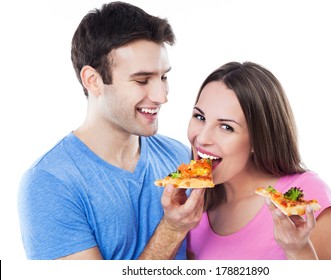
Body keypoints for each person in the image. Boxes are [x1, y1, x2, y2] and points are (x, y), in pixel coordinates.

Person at [17, 1, 204, 260]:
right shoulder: (50, 183)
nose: (162, 96)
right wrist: (172, 229)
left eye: (163, 77)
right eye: (141, 80)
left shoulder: (180, 157)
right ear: (93, 80)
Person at [186, 61, 331, 259]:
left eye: (226, 127)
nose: (201, 139)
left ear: (257, 138)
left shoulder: (305, 198)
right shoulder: (191, 208)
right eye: (200, 117)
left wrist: (298, 250)